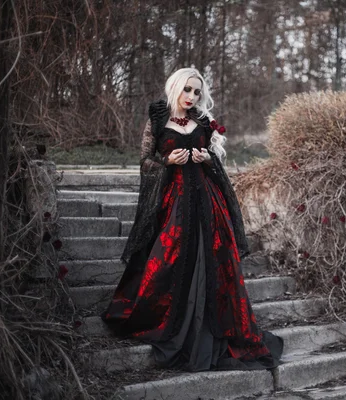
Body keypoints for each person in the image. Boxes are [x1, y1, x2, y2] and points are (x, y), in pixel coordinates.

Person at [100, 68, 283, 371]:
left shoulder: (202, 121)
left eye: (197, 91)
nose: (192, 96)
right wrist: (166, 161)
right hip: (173, 203)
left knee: (214, 262)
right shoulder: (158, 120)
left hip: (207, 203)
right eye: (187, 89)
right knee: (168, 258)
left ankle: (210, 327)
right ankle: (167, 321)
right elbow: (145, 162)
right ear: (175, 87)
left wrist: (208, 158)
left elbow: (216, 161)